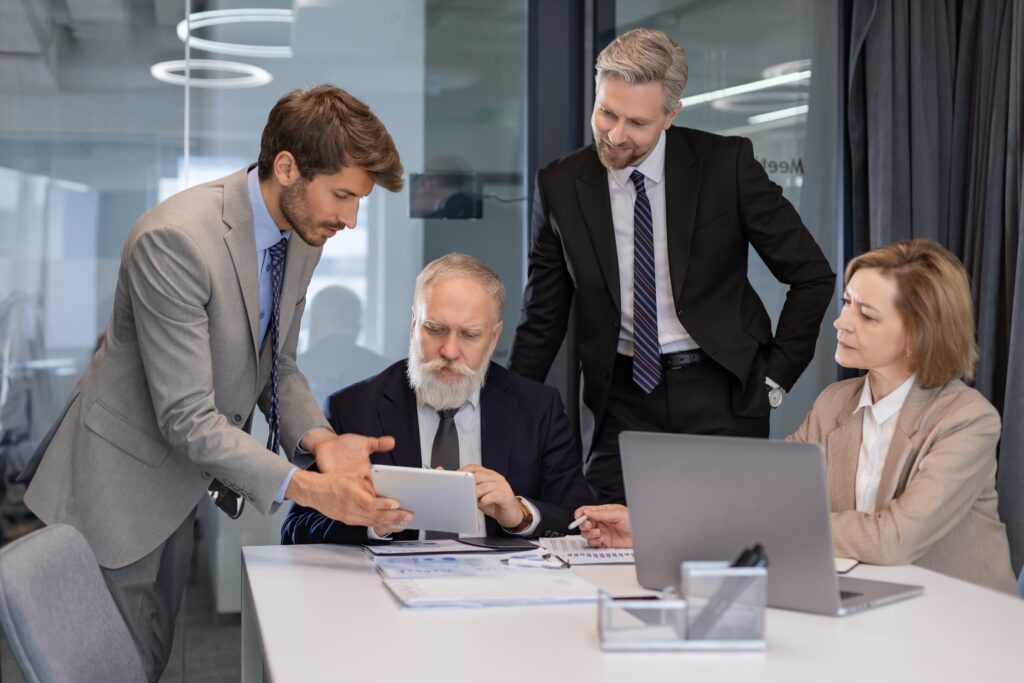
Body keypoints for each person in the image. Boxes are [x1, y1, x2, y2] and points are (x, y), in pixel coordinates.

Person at [20, 85, 414, 680]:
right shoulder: (174, 240)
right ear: (287, 168)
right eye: (342, 196)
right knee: (111, 670)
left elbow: (275, 364)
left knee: (149, 659)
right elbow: (187, 418)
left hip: (179, 484)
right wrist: (308, 490)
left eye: (358, 201)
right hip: (113, 492)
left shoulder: (301, 236)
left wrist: (320, 441)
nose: (350, 220)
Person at [576, 239, 1018, 595]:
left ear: (917, 337)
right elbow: (759, 495)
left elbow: (894, 540)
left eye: (866, 315)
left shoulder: (966, 419)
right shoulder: (835, 402)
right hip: (861, 601)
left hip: (958, 618)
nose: (841, 323)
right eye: (847, 303)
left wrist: (784, 523)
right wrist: (655, 528)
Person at [507, 28, 835, 504]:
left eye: (637, 123)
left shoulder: (726, 165)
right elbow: (542, 316)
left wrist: (774, 379)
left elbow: (811, 275)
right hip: (619, 400)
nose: (616, 136)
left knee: (719, 543)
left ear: (671, 115)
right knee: (606, 540)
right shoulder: (561, 183)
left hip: (720, 393)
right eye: (606, 113)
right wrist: (509, 410)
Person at [282, 254, 593, 544]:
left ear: (494, 337)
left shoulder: (538, 407)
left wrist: (520, 515)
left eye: (469, 334)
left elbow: (580, 519)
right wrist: (373, 524)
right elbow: (296, 530)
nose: (449, 351)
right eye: (435, 329)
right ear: (414, 325)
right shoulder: (353, 408)